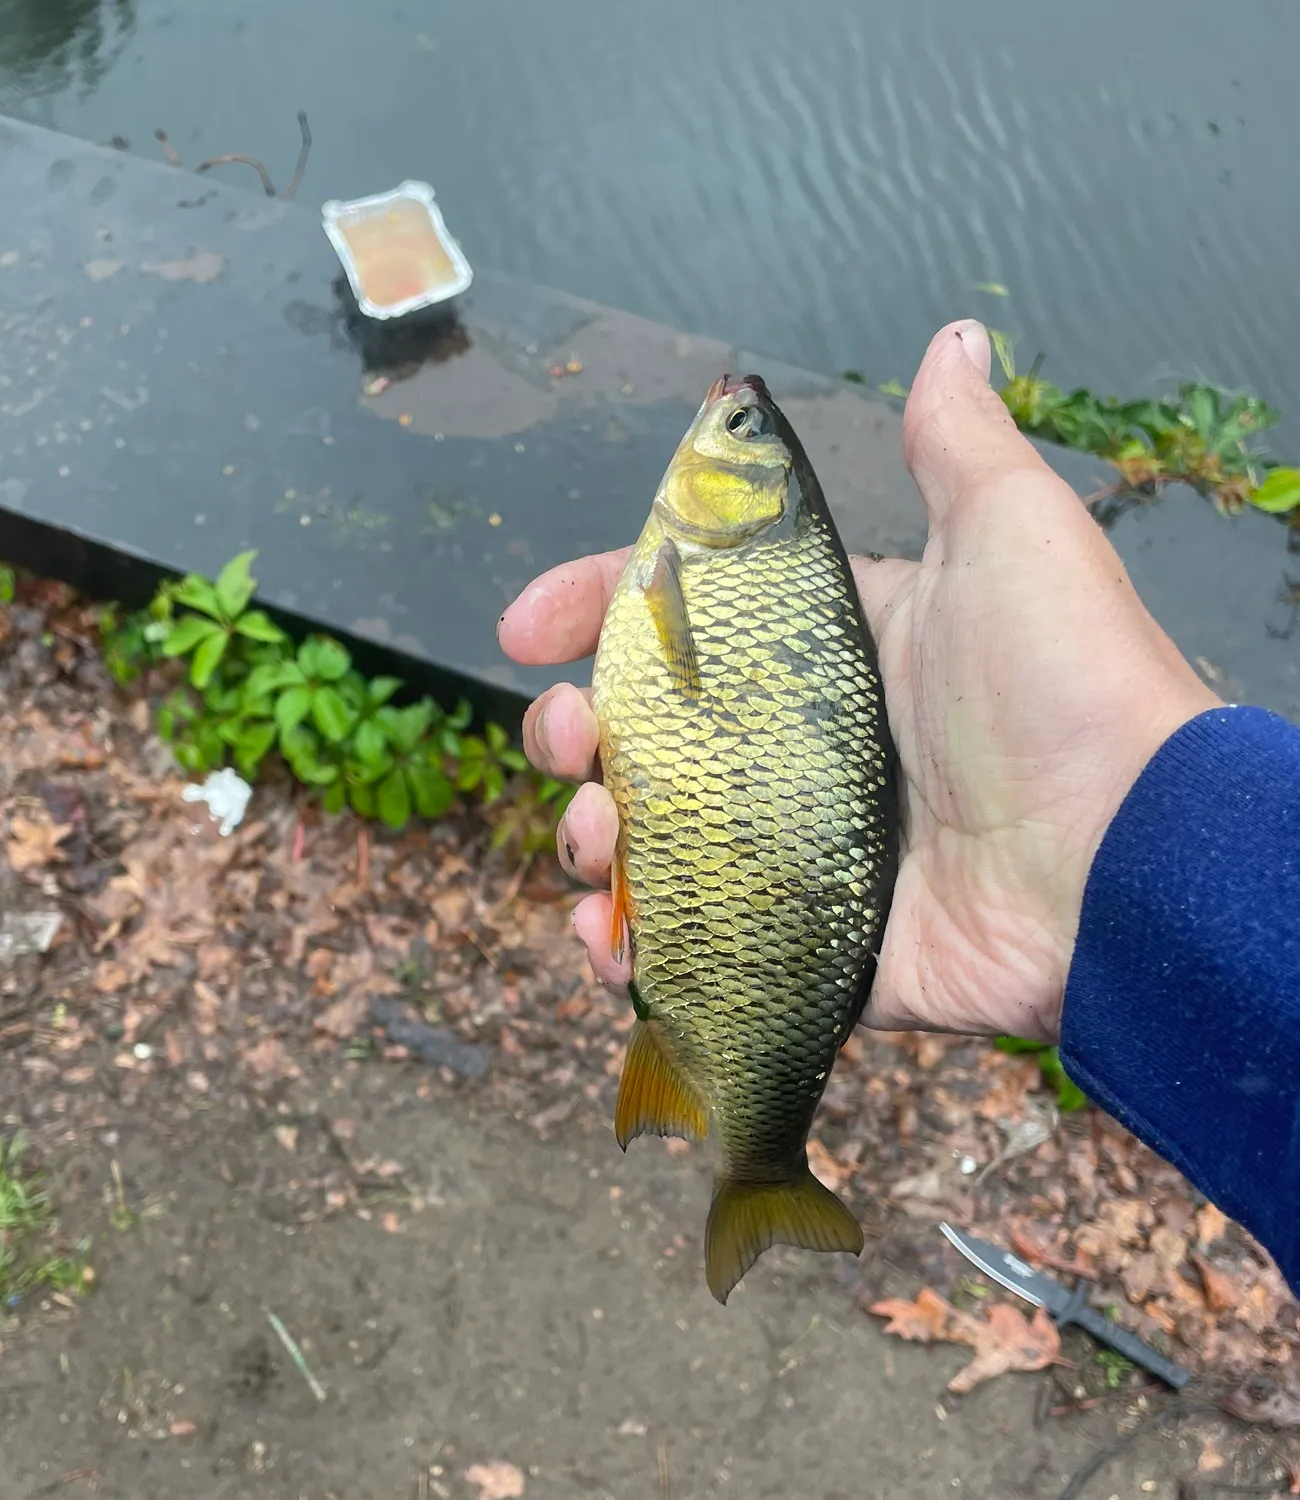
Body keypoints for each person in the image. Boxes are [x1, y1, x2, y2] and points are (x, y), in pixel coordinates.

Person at [496, 319, 1300, 1290]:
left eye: (745, 435)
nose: (733, 411)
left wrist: (1106, 821)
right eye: (747, 430)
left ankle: (759, 1163)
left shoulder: (693, 566)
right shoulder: (705, 563)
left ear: (754, 502)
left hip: (802, 833)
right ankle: (741, 1138)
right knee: (634, 877)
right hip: (792, 841)